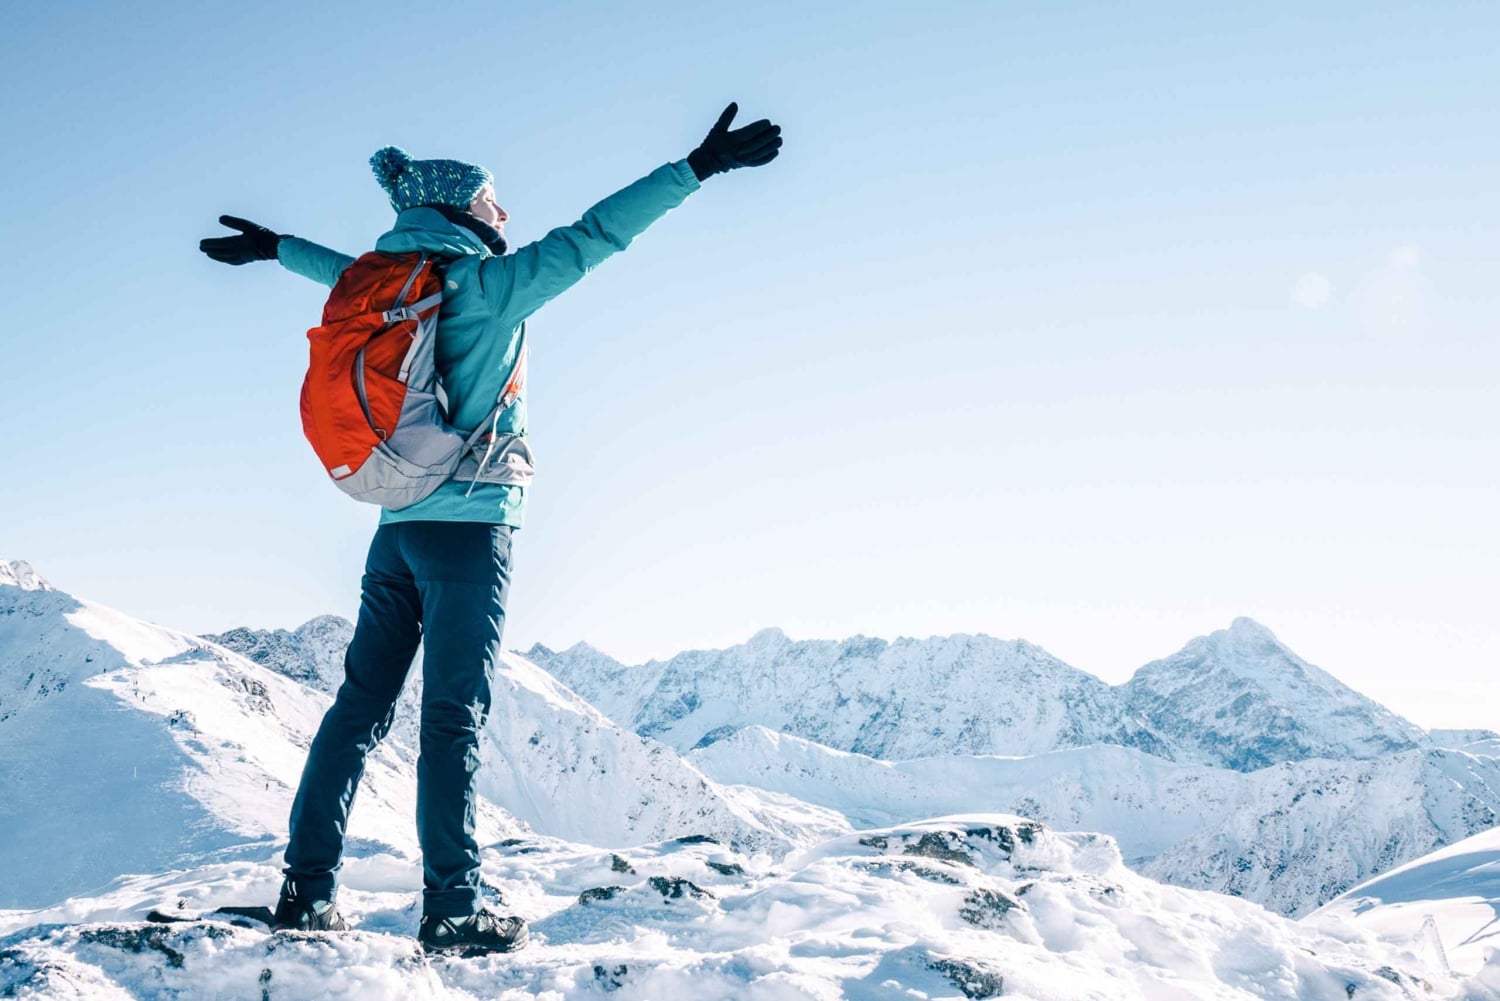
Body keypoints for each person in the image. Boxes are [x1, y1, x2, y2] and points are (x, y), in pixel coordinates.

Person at [199, 103, 782, 955]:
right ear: (464, 209)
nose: (503, 214)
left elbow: (335, 268)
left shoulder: (382, 284)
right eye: (493, 202)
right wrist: (695, 168)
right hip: (469, 531)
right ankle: (454, 907)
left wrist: (273, 246)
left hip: (395, 526)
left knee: (358, 705)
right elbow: (595, 235)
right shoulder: (484, 286)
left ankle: (307, 892)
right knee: (451, 718)